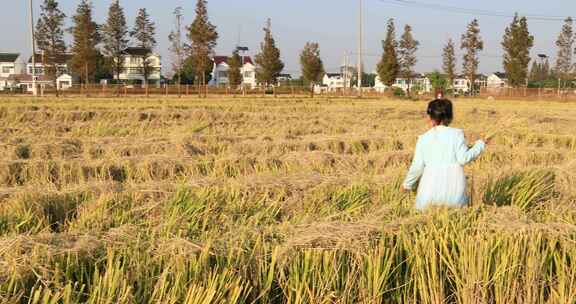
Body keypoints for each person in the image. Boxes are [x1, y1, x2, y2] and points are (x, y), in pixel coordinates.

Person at [402, 99, 488, 210]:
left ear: (430, 117)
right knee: (456, 216)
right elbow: (463, 158)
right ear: (450, 117)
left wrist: (407, 185)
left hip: (430, 188)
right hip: (454, 187)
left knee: (426, 217)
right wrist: (480, 145)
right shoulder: (457, 134)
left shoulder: (423, 138)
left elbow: (417, 167)